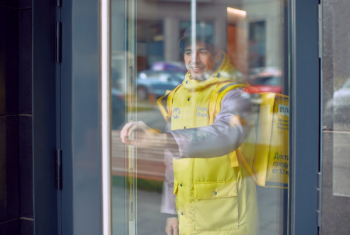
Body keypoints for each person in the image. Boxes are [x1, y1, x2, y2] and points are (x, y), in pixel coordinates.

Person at [121, 24, 258, 235]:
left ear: (216, 54)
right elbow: (172, 160)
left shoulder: (234, 93)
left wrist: (162, 139)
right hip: (187, 212)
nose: (194, 59)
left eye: (202, 51)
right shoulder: (178, 94)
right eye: (188, 52)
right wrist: (171, 212)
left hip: (227, 215)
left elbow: (226, 134)